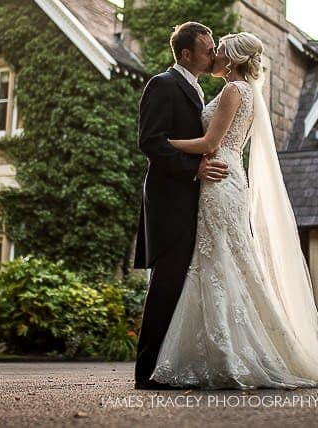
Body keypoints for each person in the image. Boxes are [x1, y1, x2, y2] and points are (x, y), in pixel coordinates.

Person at [147, 32, 318, 389]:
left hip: (219, 177)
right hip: (226, 176)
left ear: (232, 58)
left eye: (219, 50)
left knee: (221, 261)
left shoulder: (233, 90)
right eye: (210, 48)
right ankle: (224, 350)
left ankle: (229, 354)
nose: (214, 54)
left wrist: (166, 145)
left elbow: (211, 142)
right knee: (225, 262)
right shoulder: (244, 91)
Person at [133, 22, 230, 390]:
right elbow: (151, 143)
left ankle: (173, 366)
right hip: (169, 203)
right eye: (207, 48)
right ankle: (146, 373)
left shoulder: (197, 88)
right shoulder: (162, 85)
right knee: (166, 285)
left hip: (194, 202)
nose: (213, 52)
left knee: (183, 287)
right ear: (186, 53)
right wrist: (196, 167)